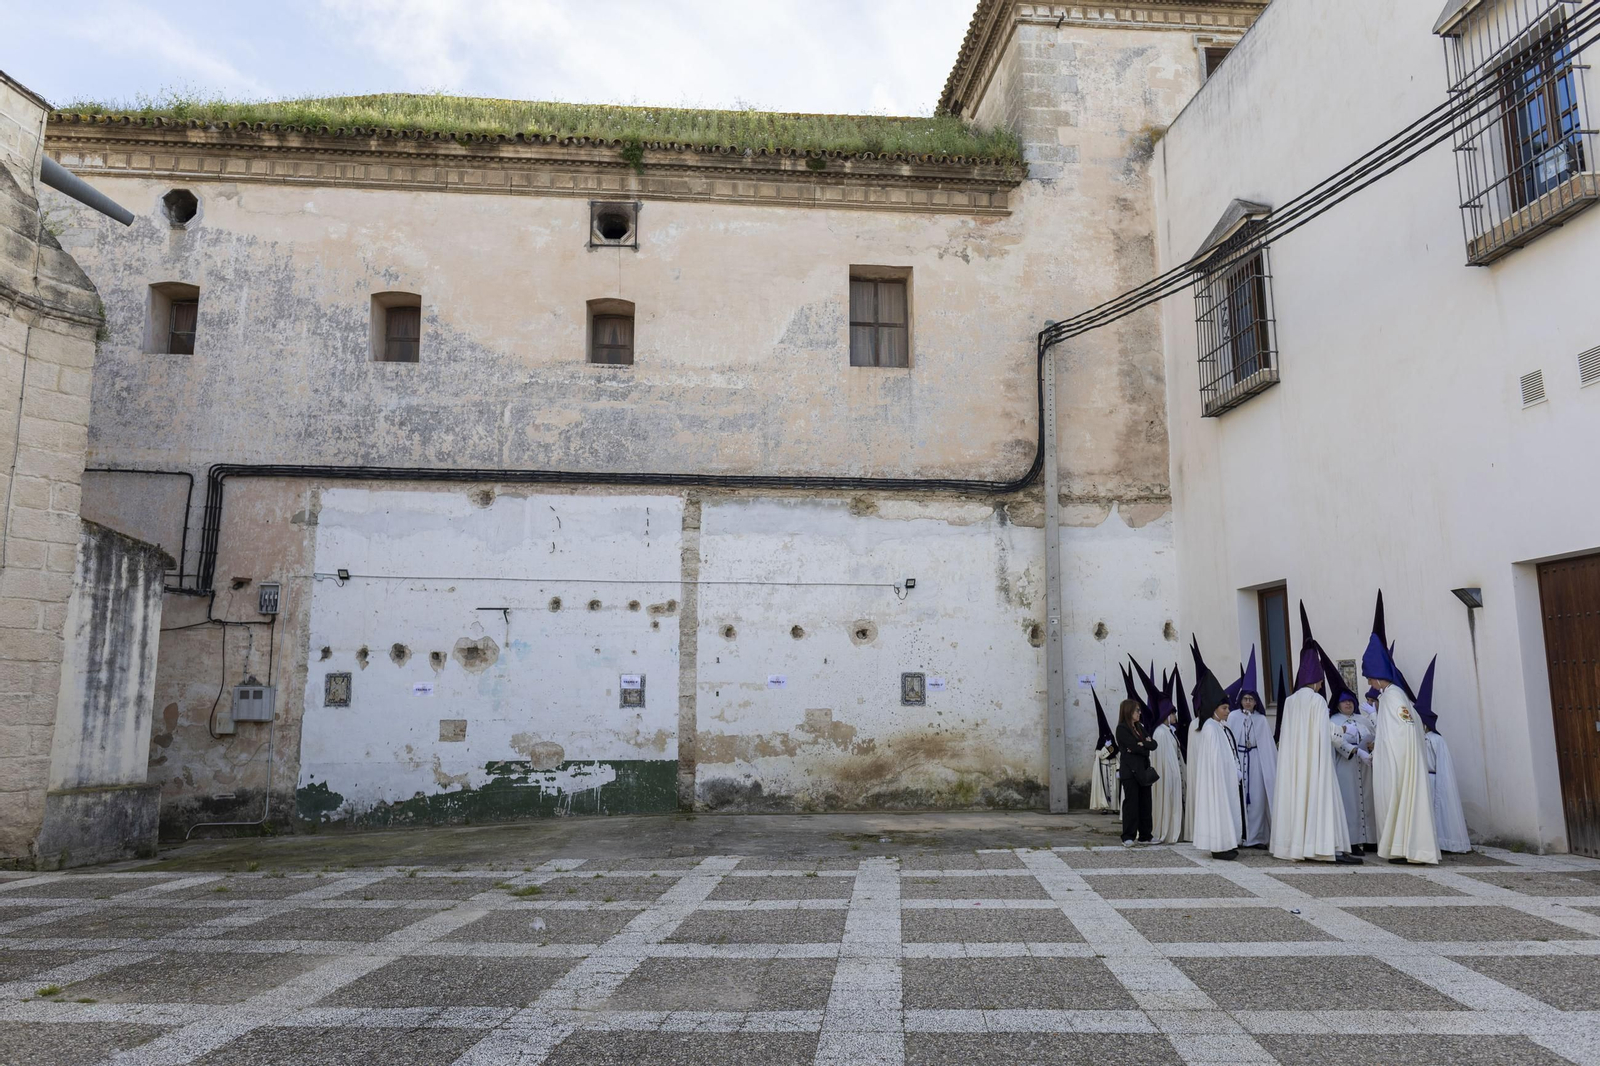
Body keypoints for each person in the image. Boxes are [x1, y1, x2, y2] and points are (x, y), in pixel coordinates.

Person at [1270, 604, 1358, 864]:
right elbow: (1323, 732)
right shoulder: (1317, 702)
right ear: (1318, 680)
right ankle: (1325, 845)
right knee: (1319, 798)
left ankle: (1295, 844)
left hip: (1295, 761)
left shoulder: (1292, 700)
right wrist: (1342, 729)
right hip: (1315, 760)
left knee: (1298, 799)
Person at [1364, 594, 1439, 865]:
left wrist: (1387, 752)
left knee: (1400, 801)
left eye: (1370, 678)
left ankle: (1408, 848)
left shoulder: (1395, 697)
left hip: (1399, 762)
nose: (1370, 682)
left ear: (1377, 676)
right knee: (1391, 804)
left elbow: (1405, 730)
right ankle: (1397, 847)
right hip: (1390, 759)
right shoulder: (1388, 697)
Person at [1415, 657, 1472, 853]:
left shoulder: (1436, 740)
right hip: (1420, 779)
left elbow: (1442, 765)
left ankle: (1444, 842)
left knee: (1437, 811)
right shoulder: (1415, 739)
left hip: (1433, 779)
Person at [1190, 664, 1244, 860]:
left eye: (1228, 707)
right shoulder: (1210, 729)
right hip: (1217, 780)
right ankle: (1219, 846)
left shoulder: (1219, 727)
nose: (1228, 711)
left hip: (1225, 778)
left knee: (1226, 809)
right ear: (1214, 709)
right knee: (1218, 809)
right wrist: (1223, 775)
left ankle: (1226, 843)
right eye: (1224, 708)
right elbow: (1213, 759)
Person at [1227, 648, 1276, 848]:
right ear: (1241, 700)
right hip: (1239, 757)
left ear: (1256, 702)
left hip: (1255, 759)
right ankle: (1239, 835)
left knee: (1256, 799)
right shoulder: (1233, 717)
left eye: (1251, 699)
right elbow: (1229, 739)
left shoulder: (1261, 719)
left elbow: (1267, 745)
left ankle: (1255, 837)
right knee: (1238, 797)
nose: (1248, 702)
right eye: (1245, 699)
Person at [1329, 688, 1377, 854]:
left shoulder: (1363, 720)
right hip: (1346, 765)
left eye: (1350, 701)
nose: (1348, 704)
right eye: (1344, 701)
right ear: (1338, 704)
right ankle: (1353, 841)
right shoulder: (1334, 721)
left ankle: (1371, 839)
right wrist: (1355, 750)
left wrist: (1372, 746)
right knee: (1350, 802)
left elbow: (1375, 734)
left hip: (1365, 766)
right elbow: (1335, 741)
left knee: (1369, 801)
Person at [1115, 697, 1158, 847]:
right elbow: (1133, 747)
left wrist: (1143, 744)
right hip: (1131, 772)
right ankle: (1128, 836)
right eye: (1137, 710)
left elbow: (1153, 744)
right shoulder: (1122, 729)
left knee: (1146, 804)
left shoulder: (1140, 727)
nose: (1139, 713)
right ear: (1129, 711)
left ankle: (1145, 835)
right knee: (1131, 804)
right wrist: (1141, 746)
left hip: (1144, 771)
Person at [1150, 697, 1185, 843]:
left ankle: (1173, 831)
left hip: (1174, 774)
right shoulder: (1161, 733)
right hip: (1166, 776)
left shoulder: (1168, 731)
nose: (1175, 717)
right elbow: (1165, 759)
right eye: (1173, 714)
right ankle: (1166, 831)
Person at [1089, 687, 1121, 814]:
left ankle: (1114, 807)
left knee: (1114, 788)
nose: (1108, 738)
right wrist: (1107, 747)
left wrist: (1118, 767)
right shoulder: (1100, 745)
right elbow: (1101, 755)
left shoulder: (1113, 743)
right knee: (1105, 788)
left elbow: (1117, 754)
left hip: (1113, 767)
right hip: (1103, 768)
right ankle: (1104, 806)